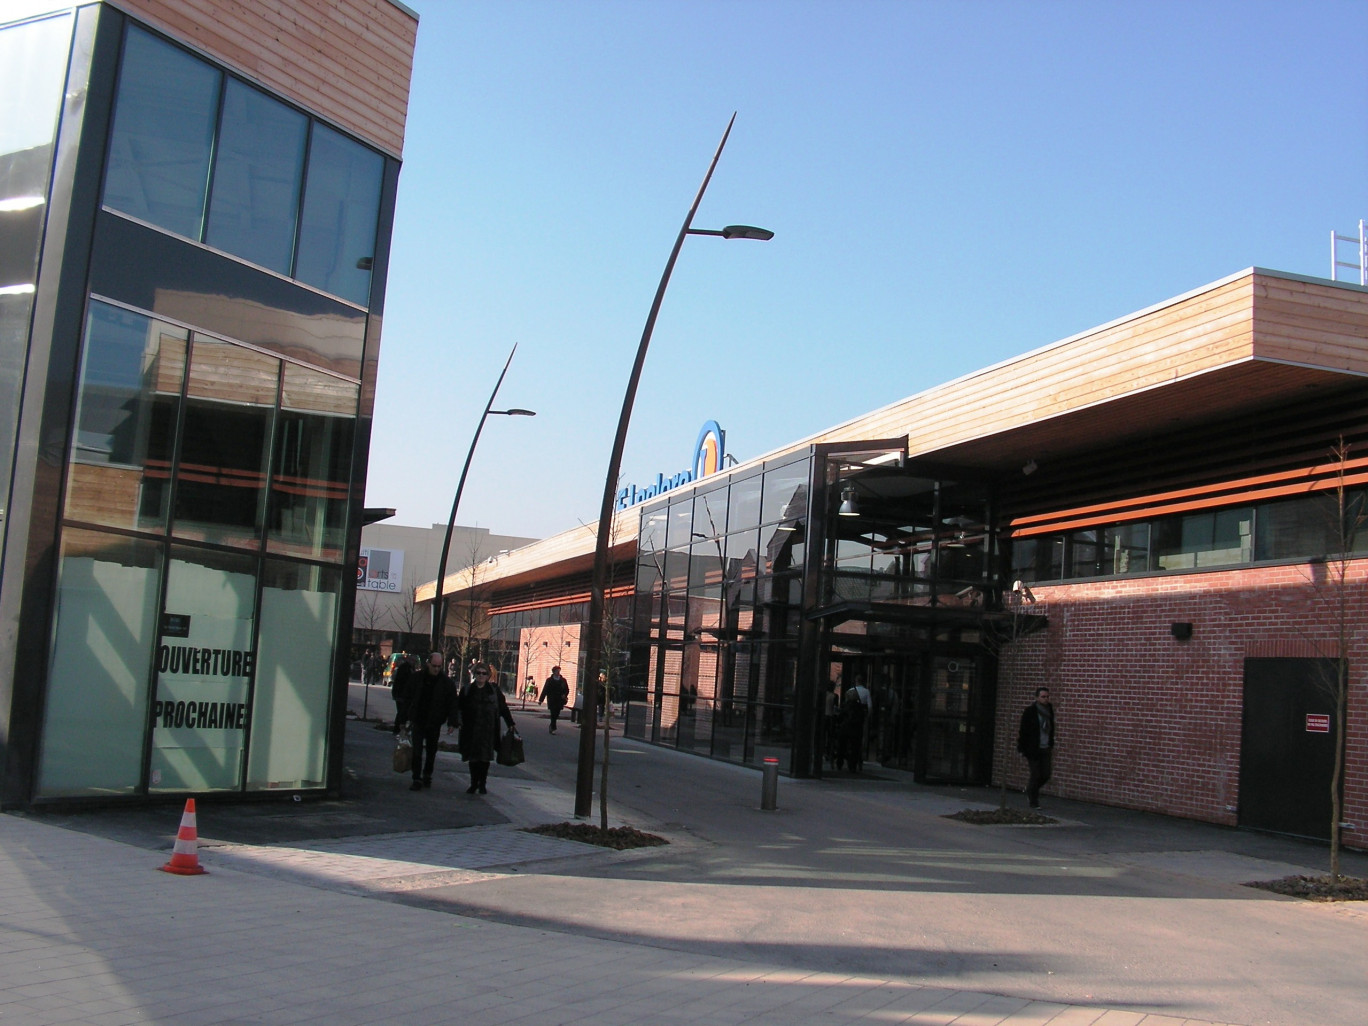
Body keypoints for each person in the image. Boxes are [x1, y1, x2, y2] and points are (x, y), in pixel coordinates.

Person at [397, 651, 459, 791]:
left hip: (434, 721)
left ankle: (427, 774)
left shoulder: (446, 683)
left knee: (431, 751)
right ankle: (416, 777)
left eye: (439, 666)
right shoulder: (417, 678)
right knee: (417, 751)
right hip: (418, 719)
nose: (436, 669)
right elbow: (407, 699)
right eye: (434, 666)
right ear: (428, 664)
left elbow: (452, 703)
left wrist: (452, 721)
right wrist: (403, 719)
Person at [459, 662, 517, 795]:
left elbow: (503, 708)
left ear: (488, 676)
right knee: (473, 758)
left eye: (484, 673)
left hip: (488, 729)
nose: (481, 676)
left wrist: (510, 723)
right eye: (478, 673)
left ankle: (482, 783)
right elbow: (459, 707)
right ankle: (474, 783)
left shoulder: (494, 691)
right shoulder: (468, 690)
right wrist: (457, 722)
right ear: (474, 674)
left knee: (485, 758)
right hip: (471, 729)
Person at [1017, 686, 1056, 809]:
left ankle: (1031, 790)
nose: (1046, 699)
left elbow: (1051, 729)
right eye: (1043, 697)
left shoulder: (1049, 711)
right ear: (1037, 698)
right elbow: (1023, 730)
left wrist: (1051, 743)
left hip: (1045, 747)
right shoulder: (1030, 711)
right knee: (1035, 774)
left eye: (1047, 697)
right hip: (1033, 748)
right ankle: (1033, 801)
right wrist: (1023, 747)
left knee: (1046, 774)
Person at [839, 678, 871, 772]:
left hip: (846, 729)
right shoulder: (860, 708)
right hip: (857, 730)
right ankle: (853, 765)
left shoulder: (846, 706)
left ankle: (840, 761)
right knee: (855, 747)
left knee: (842, 744)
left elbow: (841, 717)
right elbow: (868, 711)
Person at [390, 653, 416, 734]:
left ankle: (398, 728)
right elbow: (402, 682)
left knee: (402, 712)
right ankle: (397, 728)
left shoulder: (409, 668)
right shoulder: (405, 668)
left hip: (402, 694)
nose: (414, 662)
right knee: (402, 712)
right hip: (401, 694)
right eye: (413, 661)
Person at [539, 666, 569, 733]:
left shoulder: (563, 680)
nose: (558, 672)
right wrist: (541, 699)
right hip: (552, 699)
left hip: (560, 700)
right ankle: (553, 728)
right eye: (557, 671)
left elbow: (567, 689)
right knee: (553, 713)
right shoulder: (549, 680)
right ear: (554, 672)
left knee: (557, 714)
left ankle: (552, 725)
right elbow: (545, 690)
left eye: (559, 671)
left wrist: (565, 695)